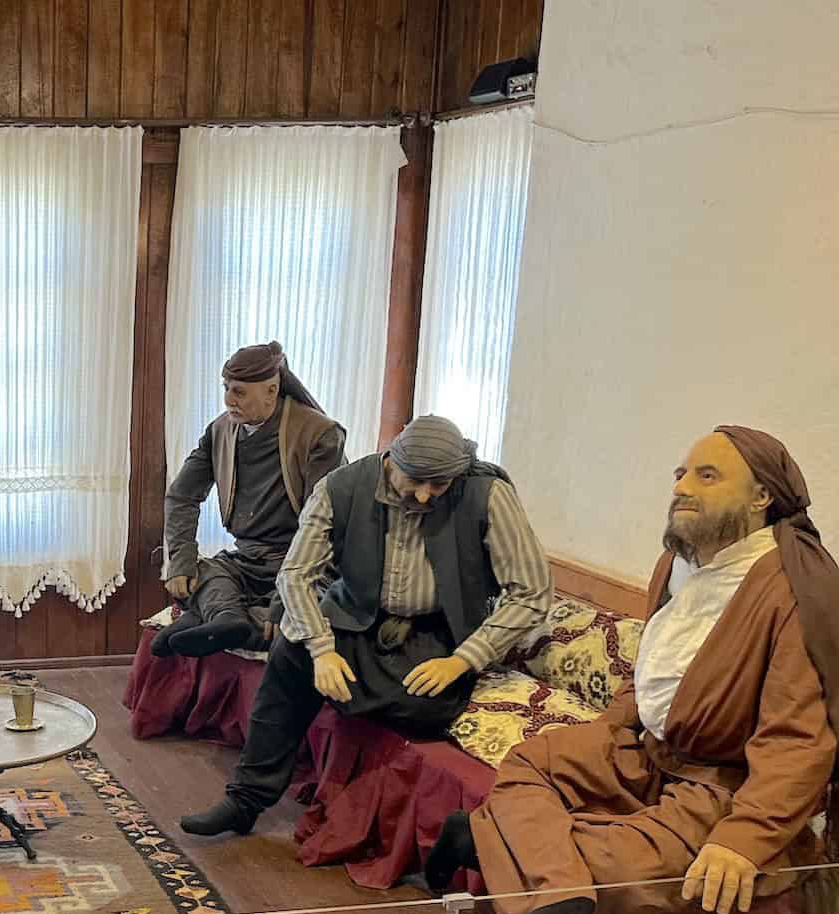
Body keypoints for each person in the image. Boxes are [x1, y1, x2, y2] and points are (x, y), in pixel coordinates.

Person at [428, 427, 839, 914]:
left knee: (620, 873)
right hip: (649, 749)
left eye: (707, 476)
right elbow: (655, 672)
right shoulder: (681, 560)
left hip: (723, 783)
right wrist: (604, 737)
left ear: (763, 496)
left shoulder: (799, 593)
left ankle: (486, 843)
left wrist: (744, 838)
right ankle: (549, 885)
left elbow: (798, 742)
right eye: (680, 475)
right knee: (530, 762)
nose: (683, 487)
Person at [182, 415, 552, 837]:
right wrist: (322, 651)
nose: (426, 495)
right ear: (390, 458)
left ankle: (348, 696)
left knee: (423, 709)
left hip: (436, 633)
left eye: (440, 485)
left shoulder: (487, 494)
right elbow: (296, 575)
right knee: (291, 651)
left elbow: (532, 591)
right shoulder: (341, 487)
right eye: (415, 481)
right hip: (354, 616)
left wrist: (465, 660)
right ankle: (245, 799)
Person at [156, 342, 346, 657]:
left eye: (240, 392)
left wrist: (288, 595)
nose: (229, 399)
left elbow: (322, 525)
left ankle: (204, 617)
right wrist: (181, 560)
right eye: (226, 388)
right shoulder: (220, 430)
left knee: (303, 614)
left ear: (272, 390)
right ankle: (227, 619)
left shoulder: (319, 434)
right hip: (248, 560)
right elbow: (181, 496)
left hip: (306, 562)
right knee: (203, 571)